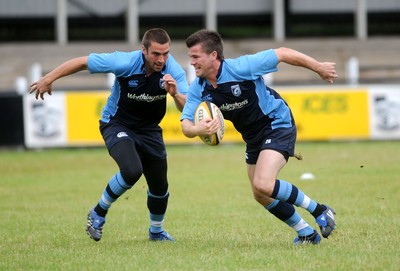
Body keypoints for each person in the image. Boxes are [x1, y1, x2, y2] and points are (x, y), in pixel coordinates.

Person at [30, 28, 189, 242]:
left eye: (166, 53)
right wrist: (48, 78)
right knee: (132, 170)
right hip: (116, 124)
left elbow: (184, 107)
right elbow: (82, 62)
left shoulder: (174, 70)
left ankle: (156, 232)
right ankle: (98, 212)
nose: (162, 59)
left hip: (150, 129)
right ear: (144, 50)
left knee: (160, 185)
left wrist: (175, 93)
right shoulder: (123, 62)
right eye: (156, 54)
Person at [180, 29, 337, 245]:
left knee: (263, 183)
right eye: (191, 57)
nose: (192, 62)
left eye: (196, 57)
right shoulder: (199, 88)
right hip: (253, 136)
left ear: (213, 55)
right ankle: (306, 234)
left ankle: (320, 210)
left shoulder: (242, 67)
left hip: (276, 123)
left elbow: (282, 53)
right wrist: (199, 130)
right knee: (260, 193)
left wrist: (318, 68)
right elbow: (186, 125)